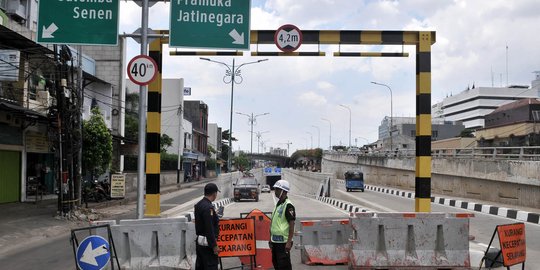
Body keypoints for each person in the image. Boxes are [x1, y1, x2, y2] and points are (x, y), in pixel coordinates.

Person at [269, 180, 295, 270]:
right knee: (276, 264)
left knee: (284, 266)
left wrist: (289, 242)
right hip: (275, 242)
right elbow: (274, 223)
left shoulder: (288, 206)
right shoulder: (279, 204)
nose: (275, 191)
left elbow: (292, 224)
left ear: (283, 191)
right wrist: (270, 239)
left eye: (277, 189)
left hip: (283, 243)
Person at [194, 183, 220, 270]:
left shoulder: (199, 204)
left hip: (200, 243)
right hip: (207, 244)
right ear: (214, 194)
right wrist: (214, 245)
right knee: (211, 266)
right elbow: (209, 228)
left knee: (201, 266)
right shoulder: (208, 208)